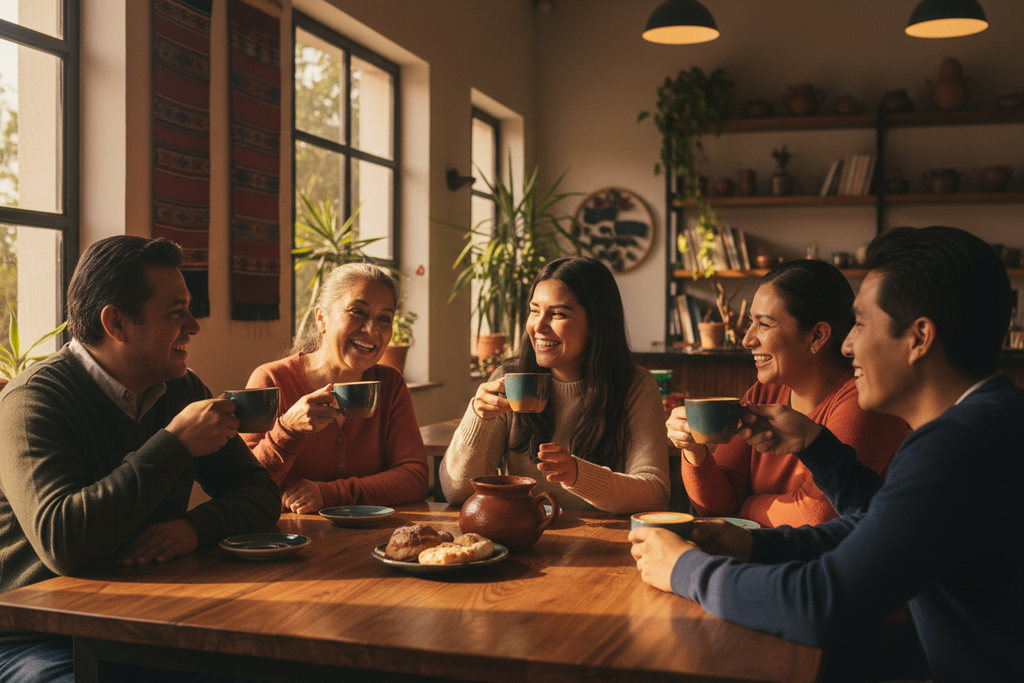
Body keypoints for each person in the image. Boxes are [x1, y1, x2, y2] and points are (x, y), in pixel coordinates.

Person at [630, 227, 1023, 682]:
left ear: (919, 339)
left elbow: (820, 602)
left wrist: (684, 569)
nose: (848, 343)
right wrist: (757, 541)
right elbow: (875, 521)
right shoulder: (982, 423)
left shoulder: (960, 445)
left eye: (859, 323)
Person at [0, 236, 280, 681]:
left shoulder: (182, 389)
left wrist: (194, 527)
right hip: (39, 637)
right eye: (175, 312)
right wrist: (174, 444)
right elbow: (64, 542)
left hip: (147, 620)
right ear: (116, 324)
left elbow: (261, 492)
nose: (194, 325)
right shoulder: (35, 401)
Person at [667, 260, 907, 528]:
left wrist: (746, 506)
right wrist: (694, 450)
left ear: (817, 335)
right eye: (750, 322)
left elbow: (817, 516)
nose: (747, 339)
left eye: (764, 324)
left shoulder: (866, 402)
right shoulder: (764, 393)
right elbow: (717, 506)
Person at [441, 257, 670, 513]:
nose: (538, 326)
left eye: (558, 314)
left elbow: (655, 493)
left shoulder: (635, 387)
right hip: (527, 541)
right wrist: (477, 417)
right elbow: (457, 493)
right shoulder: (509, 379)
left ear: (596, 323)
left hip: (606, 545)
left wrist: (578, 475)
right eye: (534, 310)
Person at [243, 263, 428, 513]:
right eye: (357, 311)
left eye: (384, 318)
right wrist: (288, 429)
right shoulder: (272, 380)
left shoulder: (390, 384)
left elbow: (414, 478)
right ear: (321, 319)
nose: (371, 329)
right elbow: (242, 486)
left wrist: (331, 494)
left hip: (370, 542)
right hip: (289, 541)